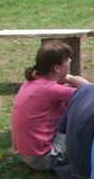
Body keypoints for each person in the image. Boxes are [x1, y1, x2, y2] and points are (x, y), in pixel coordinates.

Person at [11, 40, 90, 171]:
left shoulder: (32, 81)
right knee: (90, 117)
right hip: (44, 158)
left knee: (70, 102)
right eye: (67, 59)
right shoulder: (52, 90)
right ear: (57, 68)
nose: (70, 60)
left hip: (28, 155)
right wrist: (70, 78)